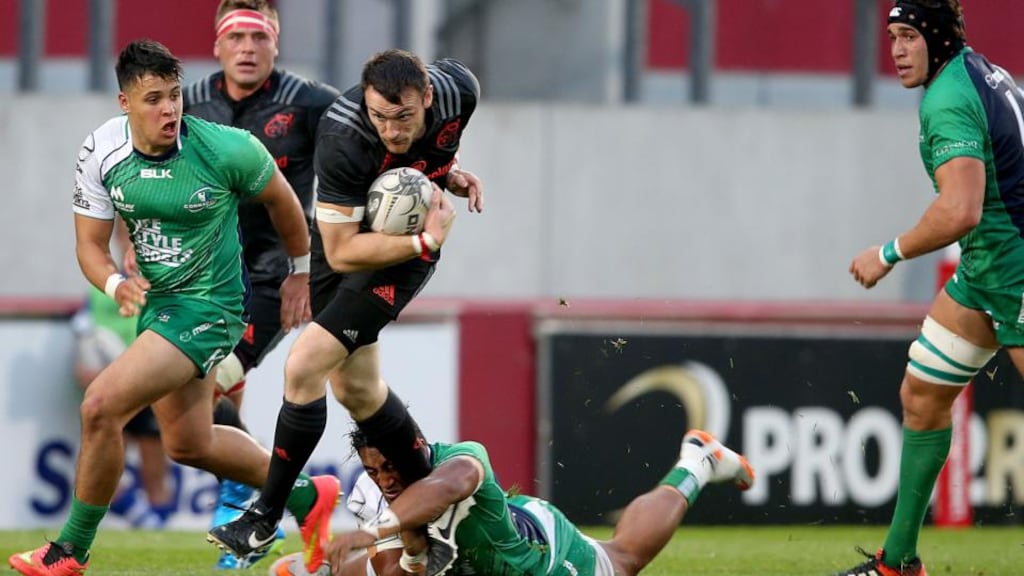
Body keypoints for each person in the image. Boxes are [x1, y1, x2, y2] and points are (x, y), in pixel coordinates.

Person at [8, 39, 338, 575]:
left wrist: (301, 274)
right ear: (124, 102)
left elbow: (283, 200)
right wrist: (115, 283)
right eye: (154, 99)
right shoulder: (101, 152)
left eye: (176, 96)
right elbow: (90, 245)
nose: (170, 110)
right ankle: (306, 496)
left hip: (212, 306)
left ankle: (68, 552)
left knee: (100, 406)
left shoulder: (227, 148)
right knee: (188, 443)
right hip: (159, 303)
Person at [210, 48, 482, 572]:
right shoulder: (343, 137)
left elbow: (426, 149)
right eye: (380, 116)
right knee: (356, 389)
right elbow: (340, 251)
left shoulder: (460, 89)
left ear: (428, 97)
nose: (391, 131)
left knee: (304, 364)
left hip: (403, 258)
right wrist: (426, 234)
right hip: (346, 241)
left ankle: (265, 515)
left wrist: (442, 176)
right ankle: (431, 520)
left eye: (403, 117)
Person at [841, 1, 1024, 574]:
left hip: (1014, 271)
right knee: (922, 398)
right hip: (984, 275)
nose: (895, 50)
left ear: (937, 39)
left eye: (908, 37)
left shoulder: (946, 99)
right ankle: (897, 563)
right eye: (892, 36)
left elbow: (961, 209)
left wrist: (888, 252)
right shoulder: (978, 70)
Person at [182, 1, 340, 567]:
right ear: (218, 44)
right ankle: (268, 500)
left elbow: (379, 140)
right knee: (200, 396)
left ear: (275, 43)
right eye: (237, 37)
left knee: (210, 379)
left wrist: (442, 169)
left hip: (276, 275)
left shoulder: (311, 102)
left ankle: (243, 501)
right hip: (201, 273)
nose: (248, 48)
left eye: (259, 36)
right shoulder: (189, 101)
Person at [294, 428, 754, 576]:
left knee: (623, 558)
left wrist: (377, 532)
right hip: (493, 541)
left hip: (535, 557)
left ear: (415, 446)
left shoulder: (458, 459)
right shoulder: (382, 497)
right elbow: (393, 572)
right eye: (374, 472)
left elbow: (445, 489)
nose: (385, 480)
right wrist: (410, 549)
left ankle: (697, 462)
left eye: (390, 467)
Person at [71, 216, 176, 529]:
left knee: (157, 472)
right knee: (94, 468)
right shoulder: (102, 289)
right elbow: (84, 345)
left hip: (153, 384)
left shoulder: (169, 284)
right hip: (115, 384)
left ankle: (157, 531)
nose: (129, 241)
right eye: (124, 234)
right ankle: (143, 520)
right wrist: (88, 370)